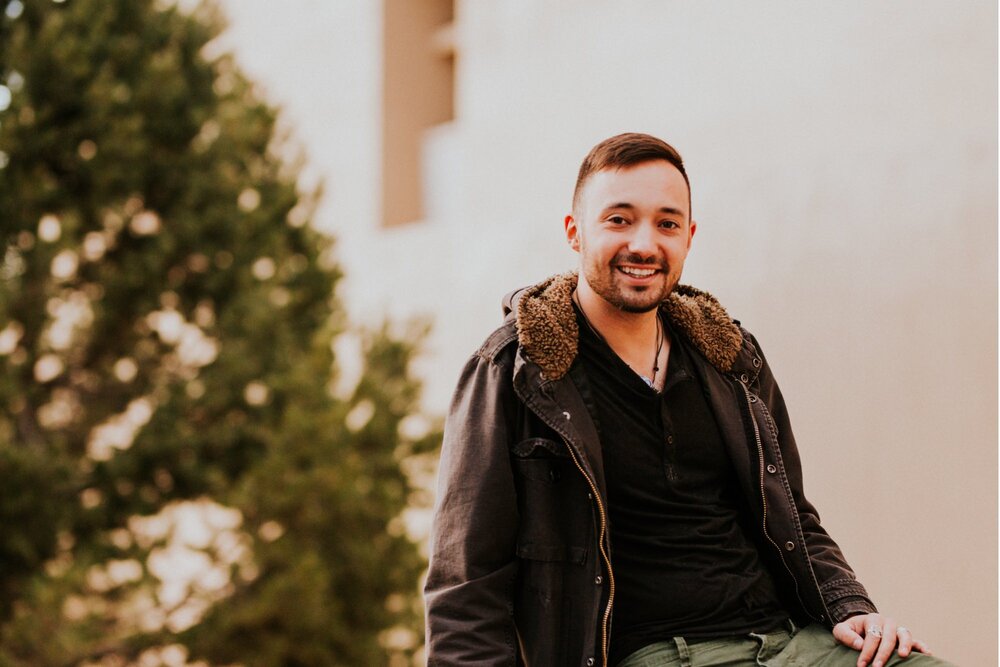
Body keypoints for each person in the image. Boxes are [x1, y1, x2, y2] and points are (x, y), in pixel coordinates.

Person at [423, 133, 952, 667]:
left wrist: (849, 605)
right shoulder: (518, 371)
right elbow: (465, 587)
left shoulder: (732, 360)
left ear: (689, 236)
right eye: (619, 220)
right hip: (656, 654)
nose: (645, 244)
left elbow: (795, 516)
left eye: (667, 223)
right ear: (574, 232)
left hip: (792, 642)